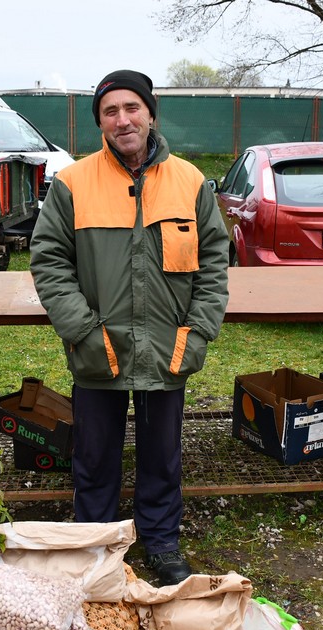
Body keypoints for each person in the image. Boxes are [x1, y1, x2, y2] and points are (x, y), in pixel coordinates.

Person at [29, 69, 230, 585]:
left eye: (131, 108)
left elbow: (214, 262)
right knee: (94, 458)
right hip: (101, 350)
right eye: (110, 112)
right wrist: (82, 331)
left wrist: (199, 332)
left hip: (169, 348)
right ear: (100, 122)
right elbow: (49, 260)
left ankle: (161, 542)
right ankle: (95, 547)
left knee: (162, 456)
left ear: (150, 112)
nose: (123, 120)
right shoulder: (74, 183)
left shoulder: (189, 181)